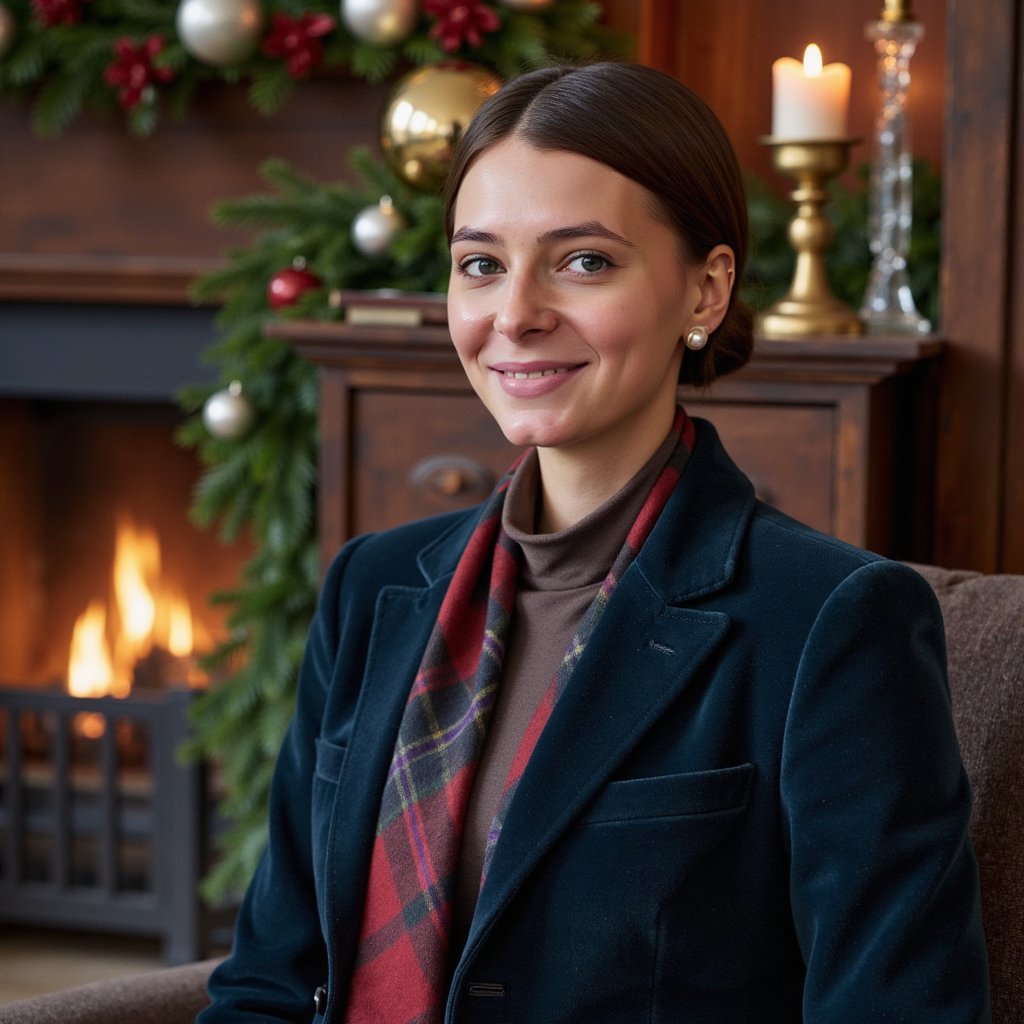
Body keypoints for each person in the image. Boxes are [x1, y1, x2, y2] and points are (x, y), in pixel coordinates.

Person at [199, 62, 990, 1023]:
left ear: (705, 291)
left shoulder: (833, 620)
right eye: (481, 264)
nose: (515, 314)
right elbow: (271, 980)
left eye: (583, 262)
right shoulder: (371, 588)